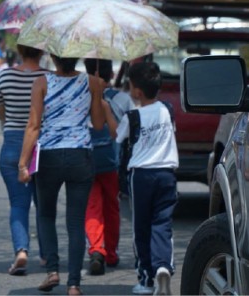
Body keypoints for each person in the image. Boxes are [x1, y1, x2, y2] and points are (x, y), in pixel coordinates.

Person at [17, 55, 105, 296]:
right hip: (81, 156)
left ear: (53, 58)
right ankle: (74, 284)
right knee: (76, 222)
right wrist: (97, 93)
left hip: (50, 156)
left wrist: (23, 163)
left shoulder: (41, 83)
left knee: (46, 214)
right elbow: (98, 125)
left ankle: (53, 271)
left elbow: (33, 125)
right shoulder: (92, 82)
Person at [115, 62, 178, 296]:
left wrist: (104, 107)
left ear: (137, 92)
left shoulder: (133, 117)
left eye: (130, 85)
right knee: (162, 224)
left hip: (140, 175)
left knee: (141, 228)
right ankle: (163, 266)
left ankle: (146, 280)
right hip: (166, 174)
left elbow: (118, 137)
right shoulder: (168, 110)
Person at [0, 45, 47, 276]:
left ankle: (21, 251)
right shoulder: (47, 78)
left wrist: (13, 119)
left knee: (18, 203)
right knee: (44, 204)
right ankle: (47, 254)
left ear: (19, 50)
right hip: (41, 145)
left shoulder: (4, 75)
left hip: (13, 143)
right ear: (41, 51)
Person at [83, 59, 134, 275]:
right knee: (112, 207)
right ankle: (111, 252)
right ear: (111, 75)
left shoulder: (81, 96)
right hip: (112, 163)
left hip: (85, 160)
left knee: (91, 206)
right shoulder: (123, 98)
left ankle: (97, 249)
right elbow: (131, 129)